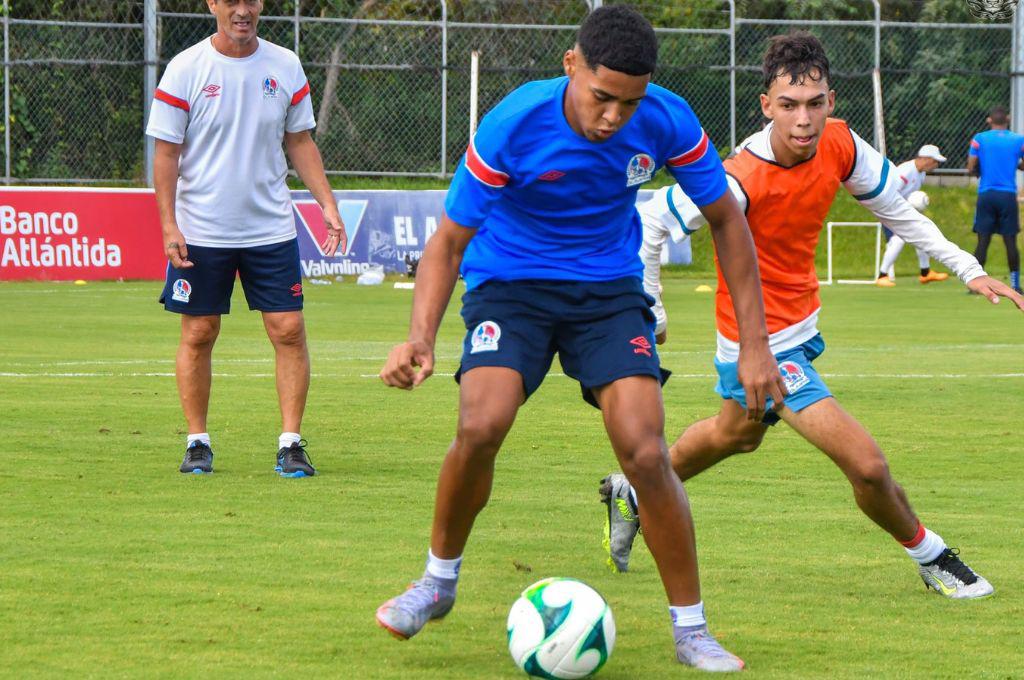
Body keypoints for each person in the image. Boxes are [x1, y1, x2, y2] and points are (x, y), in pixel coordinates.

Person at [376, 6, 786, 673]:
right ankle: (436, 583)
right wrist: (418, 335)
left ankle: (691, 631)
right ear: (572, 66)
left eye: (630, 102)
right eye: (602, 98)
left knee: (646, 450)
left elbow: (727, 221)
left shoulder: (669, 118)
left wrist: (756, 344)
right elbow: (448, 241)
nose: (614, 118)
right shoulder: (514, 123)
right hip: (510, 285)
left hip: (608, 293)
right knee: (482, 424)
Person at [602, 32, 1023, 602]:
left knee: (736, 435)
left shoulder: (842, 144)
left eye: (815, 103)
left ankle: (633, 488)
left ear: (829, 100)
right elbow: (653, 219)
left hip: (800, 322)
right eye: (789, 106)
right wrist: (652, 305)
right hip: (757, 341)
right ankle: (933, 557)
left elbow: (897, 212)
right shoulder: (738, 177)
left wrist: (969, 269)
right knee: (868, 465)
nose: (804, 119)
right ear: (766, 106)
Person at [147, 0, 346, 477]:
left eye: (251, 1)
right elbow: (166, 153)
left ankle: (291, 442)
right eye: (231, 1)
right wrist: (169, 225)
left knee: (289, 331)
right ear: (212, 4)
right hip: (202, 230)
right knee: (199, 332)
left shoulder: (285, 64)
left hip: (270, 228)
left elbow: (300, 141)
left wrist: (327, 204)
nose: (243, 10)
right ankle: (197, 442)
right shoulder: (185, 69)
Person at [967, 105, 1024, 294]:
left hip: (987, 194)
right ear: (1007, 119)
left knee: (983, 239)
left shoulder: (980, 139)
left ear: (989, 120)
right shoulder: (1018, 140)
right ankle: (1015, 284)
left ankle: (976, 285)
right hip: (1008, 195)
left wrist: (979, 172)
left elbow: (971, 166)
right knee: (1010, 241)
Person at [874, 145, 950, 286]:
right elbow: (890, 193)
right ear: (926, 159)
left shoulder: (921, 174)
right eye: (935, 161)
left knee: (921, 234)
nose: (936, 165)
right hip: (889, 209)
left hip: (902, 210)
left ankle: (925, 273)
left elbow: (910, 196)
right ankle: (882, 276)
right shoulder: (906, 171)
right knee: (898, 241)